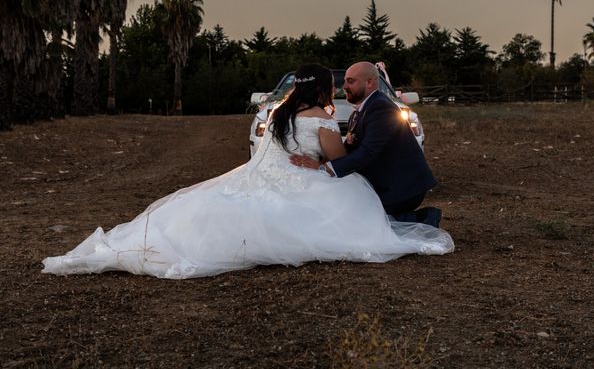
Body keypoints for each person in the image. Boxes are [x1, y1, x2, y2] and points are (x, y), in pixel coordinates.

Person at [42, 64, 453, 279]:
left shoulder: (278, 113)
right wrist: (333, 153)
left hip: (262, 176)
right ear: (322, 90)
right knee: (348, 213)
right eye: (336, 84)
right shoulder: (324, 119)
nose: (340, 89)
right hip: (305, 176)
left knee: (245, 207)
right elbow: (340, 152)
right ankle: (417, 220)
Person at [290, 61, 440, 225]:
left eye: (351, 81)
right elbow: (348, 149)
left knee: (355, 218)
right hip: (382, 182)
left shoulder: (382, 108)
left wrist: (321, 169)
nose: (344, 86)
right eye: (345, 81)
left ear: (369, 82)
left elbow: (366, 153)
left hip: (401, 189)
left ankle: (421, 220)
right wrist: (321, 162)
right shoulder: (361, 111)